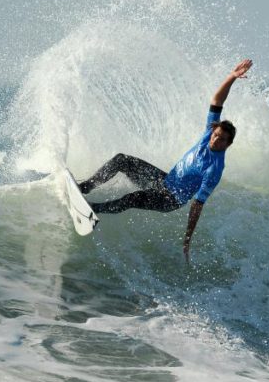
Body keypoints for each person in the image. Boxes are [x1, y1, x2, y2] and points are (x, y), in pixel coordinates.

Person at [78, 58, 253, 262]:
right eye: (216, 135)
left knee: (132, 199)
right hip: (165, 180)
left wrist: (187, 239)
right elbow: (216, 102)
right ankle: (85, 187)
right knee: (122, 160)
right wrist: (231, 77)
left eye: (221, 139)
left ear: (228, 144)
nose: (215, 140)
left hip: (171, 199)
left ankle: (92, 209)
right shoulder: (208, 134)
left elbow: (197, 205)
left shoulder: (214, 169)